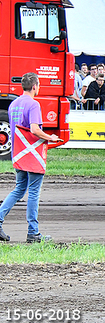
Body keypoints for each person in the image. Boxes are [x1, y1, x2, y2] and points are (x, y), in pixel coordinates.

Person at [0, 73, 60, 243]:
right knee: (33, 192)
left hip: (18, 153)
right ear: (35, 86)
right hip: (32, 154)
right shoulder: (33, 105)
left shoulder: (13, 104)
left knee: (19, 190)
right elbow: (34, 129)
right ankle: (33, 232)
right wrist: (51, 137)